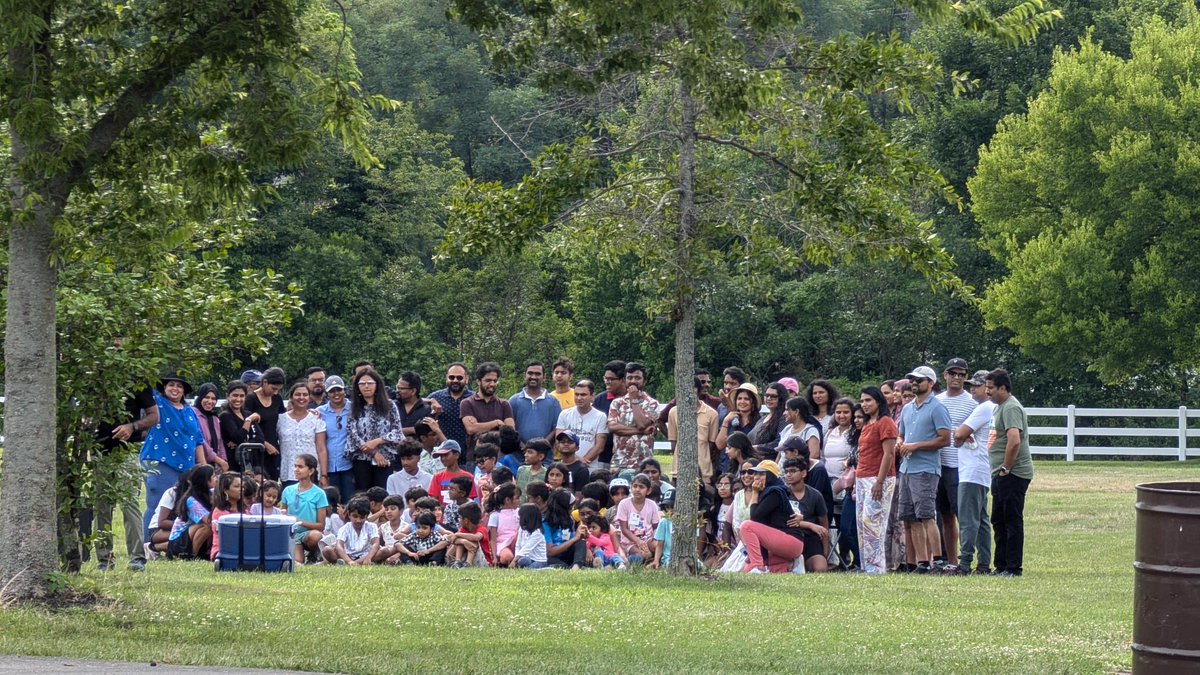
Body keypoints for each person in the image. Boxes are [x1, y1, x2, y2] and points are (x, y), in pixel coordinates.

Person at [90, 384, 158, 571]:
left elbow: (154, 416)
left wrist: (132, 426)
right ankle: (104, 560)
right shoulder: (95, 377)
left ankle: (137, 558)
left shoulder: (137, 379)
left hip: (126, 450)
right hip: (99, 449)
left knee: (129, 503)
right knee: (101, 506)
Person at [895, 366, 952, 574]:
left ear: (931, 383)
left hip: (926, 469)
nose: (915, 383)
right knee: (910, 517)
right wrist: (900, 443)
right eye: (913, 379)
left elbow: (945, 439)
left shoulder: (937, 407)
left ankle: (937, 560)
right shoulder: (908, 408)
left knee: (927, 515)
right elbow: (901, 434)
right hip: (907, 468)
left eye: (919, 380)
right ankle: (922, 562)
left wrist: (915, 446)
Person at [140, 373, 206, 542]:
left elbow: (198, 439)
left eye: (179, 386)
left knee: (180, 507)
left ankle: (169, 542)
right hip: (160, 461)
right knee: (157, 505)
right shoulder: (158, 404)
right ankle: (148, 543)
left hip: (186, 467)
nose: (175, 388)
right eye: (171, 385)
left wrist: (203, 465)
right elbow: (144, 382)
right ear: (164, 388)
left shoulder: (189, 411)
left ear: (184, 391)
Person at [947, 370, 996, 575]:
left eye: (976, 385)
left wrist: (960, 434)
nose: (971, 389)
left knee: (968, 519)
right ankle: (984, 563)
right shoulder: (992, 408)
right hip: (982, 470)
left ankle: (965, 562)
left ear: (987, 387)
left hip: (971, 470)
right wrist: (961, 435)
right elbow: (960, 436)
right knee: (982, 520)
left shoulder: (983, 408)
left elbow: (958, 434)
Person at [986, 368, 1033, 577]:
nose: (987, 392)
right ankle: (1002, 565)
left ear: (1003, 388)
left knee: (1012, 520)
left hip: (1012, 474)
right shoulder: (999, 407)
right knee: (999, 519)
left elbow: (1014, 440)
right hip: (999, 473)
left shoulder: (1011, 407)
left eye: (990, 388)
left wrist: (1006, 467)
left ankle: (1013, 568)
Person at [933, 358, 978, 569]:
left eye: (962, 374)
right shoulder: (937, 400)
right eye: (953, 373)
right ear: (945, 375)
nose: (957, 378)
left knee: (961, 513)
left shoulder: (972, 402)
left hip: (959, 465)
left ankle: (966, 558)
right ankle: (950, 561)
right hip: (936, 463)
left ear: (966, 377)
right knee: (944, 514)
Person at [737, 460, 804, 574]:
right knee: (747, 568)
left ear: (771, 476)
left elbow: (754, 518)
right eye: (756, 474)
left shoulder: (775, 492)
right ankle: (789, 565)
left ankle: (758, 567)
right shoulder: (767, 491)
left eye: (762, 474)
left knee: (746, 526)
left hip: (791, 540)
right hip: (781, 543)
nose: (757, 477)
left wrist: (755, 493)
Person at [346, 367, 406, 491]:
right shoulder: (354, 407)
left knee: (382, 494)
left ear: (377, 385)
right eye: (362, 384)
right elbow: (352, 433)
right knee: (363, 494)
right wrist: (373, 452)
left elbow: (397, 432)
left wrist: (377, 441)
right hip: (361, 458)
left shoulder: (389, 405)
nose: (366, 386)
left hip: (385, 458)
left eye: (370, 383)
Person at [608, 362, 661, 473]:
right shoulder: (617, 403)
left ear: (644, 381)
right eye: (630, 377)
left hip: (643, 464)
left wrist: (634, 401)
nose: (633, 381)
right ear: (625, 380)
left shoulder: (652, 404)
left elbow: (642, 424)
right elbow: (612, 427)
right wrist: (640, 431)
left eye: (637, 378)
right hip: (620, 462)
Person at [667, 375, 721, 483]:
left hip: (703, 472)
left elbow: (711, 445)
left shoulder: (711, 414)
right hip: (679, 471)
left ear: (699, 390)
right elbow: (674, 442)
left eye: (692, 388)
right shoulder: (673, 412)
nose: (687, 391)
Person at [824, 397, 858, 568]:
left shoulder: (855, 432)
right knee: (835, 522)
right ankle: (839, 559)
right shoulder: (830, 432)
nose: (842, 415)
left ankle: (851, 559)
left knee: (846, 523)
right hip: (829, 482)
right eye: (838, 412)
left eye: (846, 412)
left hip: (847, 483)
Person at [781, 458, 831, 572]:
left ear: (803, 473)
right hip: (789, 537)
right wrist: (808, 524)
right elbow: (783, 521)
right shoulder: (782, 494)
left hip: (810, 539)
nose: (788, 474)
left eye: (793, 471)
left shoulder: (815, 495)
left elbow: (824, 524)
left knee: (820, 568)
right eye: (786, 471)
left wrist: (825, 552)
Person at [460, 362, 515, 462]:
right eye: (488, 380)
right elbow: (471, 429)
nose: (492, 384)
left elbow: (510, 432)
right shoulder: (467, 403)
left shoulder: (504, 404)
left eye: (495, 381)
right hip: (475, 459)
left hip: (499, 459)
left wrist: (480, 427)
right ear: (478, 381)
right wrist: (497, 423)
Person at [280, 454, 328, 564]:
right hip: (291, 534)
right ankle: (304, 555)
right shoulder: (287, 490)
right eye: (295, 466)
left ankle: (314, 554)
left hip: (308, 533)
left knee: (315, 536)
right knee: (298, 562)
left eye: (300, 467)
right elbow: (283, 512)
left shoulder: (319, 494)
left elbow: (321, 525)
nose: (296, 470)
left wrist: (300, 522)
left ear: (311, 471)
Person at [278, 381, 328, 487]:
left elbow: (321, 448)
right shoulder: (281, 419)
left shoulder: (316, 418)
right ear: (291, 397)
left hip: (310, 472)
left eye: (305, 394)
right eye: (297, 394)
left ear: (309, 398)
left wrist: (324, 475)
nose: (301, 397)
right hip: (289, 472)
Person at [245, 367, 287, 479]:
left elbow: (284, 419)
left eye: (278, 389)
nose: (275, 392)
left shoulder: (277, 399)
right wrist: (264, 444)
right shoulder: (250, 399)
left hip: (274, 449)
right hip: (255, 449)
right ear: (264, 382)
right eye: (273, 388)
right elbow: (246, 426)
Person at [166, 465, 216, 560]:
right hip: (178, 543)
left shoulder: (210, 493)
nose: (216, 479)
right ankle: (192, 555)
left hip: (190, 537)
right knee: (208, 527)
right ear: (205, 480)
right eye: (213, 476)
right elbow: (209, 521)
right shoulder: (191, 500)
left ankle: (205, 553)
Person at [316, 375, 354, 502]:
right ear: (327, 394)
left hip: (349, 464)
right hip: (329, 464)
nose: (336, 394)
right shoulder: (320, 412)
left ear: (344, 391)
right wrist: (323, 473)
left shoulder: (354, 408)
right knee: (331, 502)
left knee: (350, 500)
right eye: (332, 391)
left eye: (339, 390)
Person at [554, 380, 609, 467]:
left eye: (583, 395)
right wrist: (575, 461)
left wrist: (581, 464)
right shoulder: (564, 414)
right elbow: (558, 441)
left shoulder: (601, 416)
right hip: (566, 466)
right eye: (576, 394)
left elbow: (599, 446)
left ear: (592, 396)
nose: (579, 398)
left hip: (591, 467)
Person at [508, 361, 562, 446]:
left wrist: (541, 446)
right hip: (517, 456)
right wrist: (521, 445)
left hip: (544, 456)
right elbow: (509, 428)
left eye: (537, 374)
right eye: (530, 373)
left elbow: (558, 428)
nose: (533, 377)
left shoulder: (553, 402)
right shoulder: (514, 401)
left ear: (544, 377)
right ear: (524, 375)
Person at [590, 360, 627, 474]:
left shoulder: (633, 399)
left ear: (623, 380)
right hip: (603, 456)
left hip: (627, 455)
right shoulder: (600, 399)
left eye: (611, 379)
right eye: (606, 378)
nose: (607, 382)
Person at [616, 474, 660, 564]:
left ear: (648, 491)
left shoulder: (652, 505)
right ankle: (630, 560)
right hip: (629, 541)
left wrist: (654, 541)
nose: (637, 489)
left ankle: (654, 560)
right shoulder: (624, 504)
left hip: (648, 539)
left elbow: (656, 526)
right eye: (635, 486)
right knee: (643, 555)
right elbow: (624, 529)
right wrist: (638, 541)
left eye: (641, 487)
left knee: (658, 547)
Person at [428, 362, 473, 450]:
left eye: (459, 378)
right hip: (442, 452)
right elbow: (416, 400)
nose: (455, 380)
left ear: (466, 379)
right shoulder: (436, 397)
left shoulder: (474, 398)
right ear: (446, 378)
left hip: (468, 453)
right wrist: (430, 401)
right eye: (451, 377)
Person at [219, 380, 260, 474]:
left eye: (241, 396)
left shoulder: (248, 413)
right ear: (227, 396)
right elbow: (239, 438)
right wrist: (249, 420)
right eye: (235, 395)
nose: (238, 399)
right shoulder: (225, 416)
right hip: (233, 463)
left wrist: (243, 443)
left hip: (250, 462)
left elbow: (260, 438)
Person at [324, 497, 379, 566]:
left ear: (366, 516)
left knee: (383, 551)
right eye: (355, 516)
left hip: (366, 555)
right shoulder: (345, 528)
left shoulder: (372, 526)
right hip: (348, 556)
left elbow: (376, 543)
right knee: (327, 550)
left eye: (361, 517)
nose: (358, 520)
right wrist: (349, 561)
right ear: (349, 515)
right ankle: (350, 563)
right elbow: (339, 546)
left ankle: (351, 564)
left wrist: (368, 558)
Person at [543, 488, 588, 568]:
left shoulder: (569, 520)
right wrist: (575, 538)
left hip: (566, 555)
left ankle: (576, 567)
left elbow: (573, 543)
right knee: (560, 565)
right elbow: (550, 551)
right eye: (571, 507)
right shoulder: (545, 523)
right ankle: (570, 567)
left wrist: (582, 537)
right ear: (564, 508)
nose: (573, 509)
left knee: (581, 542)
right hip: (550, 557)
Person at [428, 439, 478, 507]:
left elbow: (470, 500)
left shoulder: (468, 477)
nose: (443, 459)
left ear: (457, 455)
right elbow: (433, 499)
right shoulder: (437, 477)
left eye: (446, 455)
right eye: (441, 456)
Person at [191, 383, 229, 472]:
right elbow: (200, 440)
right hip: (197, 464)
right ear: (200, 397)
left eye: (213, 398)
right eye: (206, 397)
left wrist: (223, 460)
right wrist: (218, 460)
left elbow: (220, 442)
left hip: (214, 466)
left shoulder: (214, 418)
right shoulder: (192, 414)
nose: (210, 401)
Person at [716, 383, 761, 454]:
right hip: (729, 462)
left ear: (753, 402)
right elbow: (720, 445)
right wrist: (725, 422)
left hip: (749, 462)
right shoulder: (730, 419)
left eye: (746, 399)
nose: (742, 402)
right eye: (739, 398)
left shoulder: (759, 422)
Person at [750, 382, 790, 459]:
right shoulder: (762, 418)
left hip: (769, 463)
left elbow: (779, 443)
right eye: (767, 395)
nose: (769, 398)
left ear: (781, 398)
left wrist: (755, 448)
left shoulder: (783, 419)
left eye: (773, 396)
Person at [208, 472, 243, 561]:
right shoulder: (219, 512)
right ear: (225, 490)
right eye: (237, 486)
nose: (241, 489)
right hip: (222, 551)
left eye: (242, 486)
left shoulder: (245, 510)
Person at [486, 482, 521, 566]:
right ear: (507, 500)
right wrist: (494, 557)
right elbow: (493, 539)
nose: (519, 501)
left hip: (518, 542)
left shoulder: (519, 512)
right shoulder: (495, 515)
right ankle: (502, 559)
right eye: (517, 498)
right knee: (507, 557)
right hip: (503, 544)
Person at [447, 502, 491, 568]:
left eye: (460, 518)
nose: (459, 520)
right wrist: (463, 541)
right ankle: (457, 562)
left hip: (483, 562)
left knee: (473, 540)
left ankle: (468, 564)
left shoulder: (482, 529)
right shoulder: (463, 530)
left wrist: (457, 535)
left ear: (466, 520)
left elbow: (476, 537)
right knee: (461, 540)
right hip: (463, 559)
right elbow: (453, 540)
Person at [394, 371, 432, 438]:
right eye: (397, 387)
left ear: (413, 391)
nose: (397, 391)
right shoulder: (392, 406)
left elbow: (426, 431)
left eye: (401, 388)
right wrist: (413, 429)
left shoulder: (427, 409)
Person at [554, 432, 592, 497]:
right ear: (558, 446)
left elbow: (579, 496)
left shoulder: (582, 469)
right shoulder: (554, 467)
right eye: (562, 442)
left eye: (570, 442)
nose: (566, 444)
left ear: (577, 448)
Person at [513, 504, 549, 569]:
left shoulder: (538, 533)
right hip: (528, 558)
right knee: (522, 561)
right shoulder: (522, 529)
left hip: (538, 561)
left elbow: (527, 548)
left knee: (527, 570)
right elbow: (518, 545)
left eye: (521, 516)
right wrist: (516, 560)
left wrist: (514, 560)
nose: (519, 518)